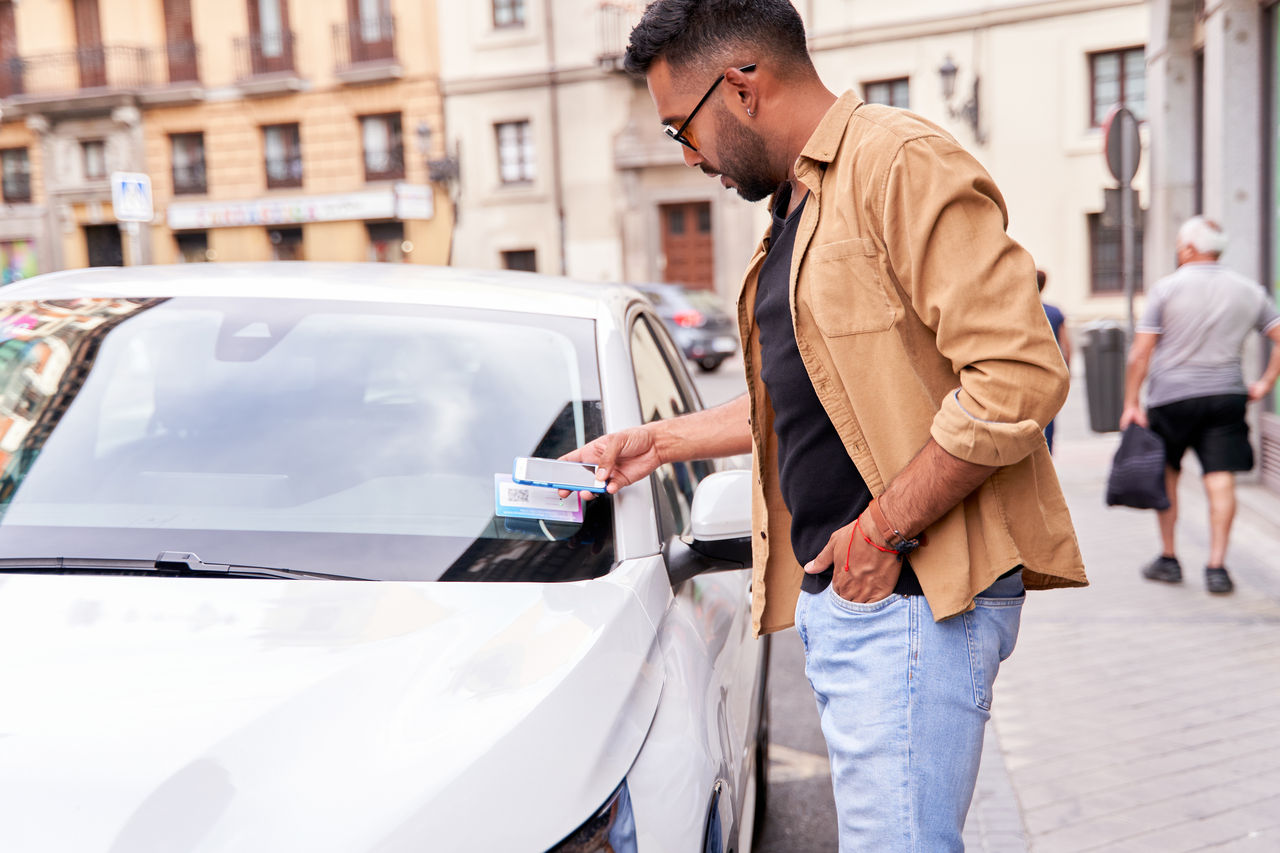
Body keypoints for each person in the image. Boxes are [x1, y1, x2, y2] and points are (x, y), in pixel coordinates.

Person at [565, 1, 1087, 849]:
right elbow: (809, 395)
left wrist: (880, 531)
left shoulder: (898, 162)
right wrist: (659, 442)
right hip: (864, 602)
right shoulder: (798, 204)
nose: (689, 156)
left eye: (681, 129)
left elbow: (1019, 375)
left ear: (741, 88)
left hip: (912, 597)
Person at [1120, 216, 1280, 595]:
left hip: (1170, 398)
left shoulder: (1166, 289)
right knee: (1220, 478)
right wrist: (1265, 383)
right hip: (1226, 395)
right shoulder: (1249, 290)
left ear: (1190, 248)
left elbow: (1140, 354)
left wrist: (1131, 402)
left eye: (1180, 245)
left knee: (1168, 474)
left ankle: (1169, 558)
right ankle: (1217, 566)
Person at [1038, 269, 1072, 452]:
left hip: (1033, 369)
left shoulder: (1023, 311)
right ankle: (1048, 451)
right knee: (1050, 413)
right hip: (1052, 368)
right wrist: (1068, 370)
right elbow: (1066, 345)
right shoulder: (1055, 312)